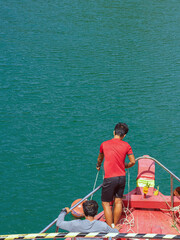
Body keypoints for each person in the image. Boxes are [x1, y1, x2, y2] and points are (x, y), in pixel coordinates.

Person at [96, 122, 135, 227]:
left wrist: (98, 165)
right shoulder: (127, 145)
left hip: (109, 178)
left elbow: (100, 158)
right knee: (118, 201)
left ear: (114, 132)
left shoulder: (104, 144)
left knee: (106, 203)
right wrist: (124, 166)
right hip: (121, 178)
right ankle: (116, 224)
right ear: (124, 135)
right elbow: (133, 162)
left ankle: (110, 227)